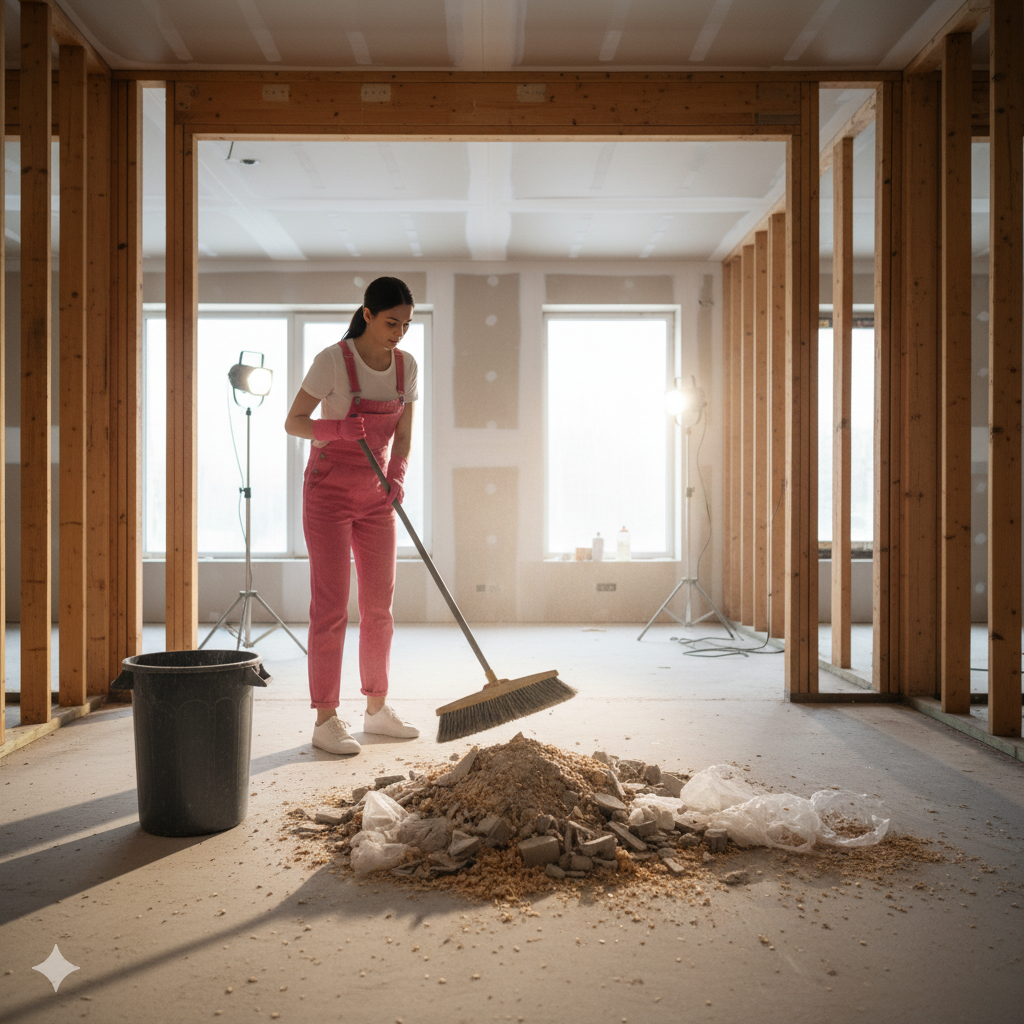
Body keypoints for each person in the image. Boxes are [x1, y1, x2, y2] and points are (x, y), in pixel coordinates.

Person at [284, 276, 421, 755]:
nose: (398, 333)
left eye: (405, 325)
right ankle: (325, 719)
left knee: (380, 607)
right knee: (331, 608)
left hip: (377, 493)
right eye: (390, 323)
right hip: (328, 491)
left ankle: (376, 709)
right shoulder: (333, 361)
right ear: (367, 314)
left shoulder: (406, 367)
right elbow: (293, 422)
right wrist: (338, 428)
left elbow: (404, 434)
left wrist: (398, 473)